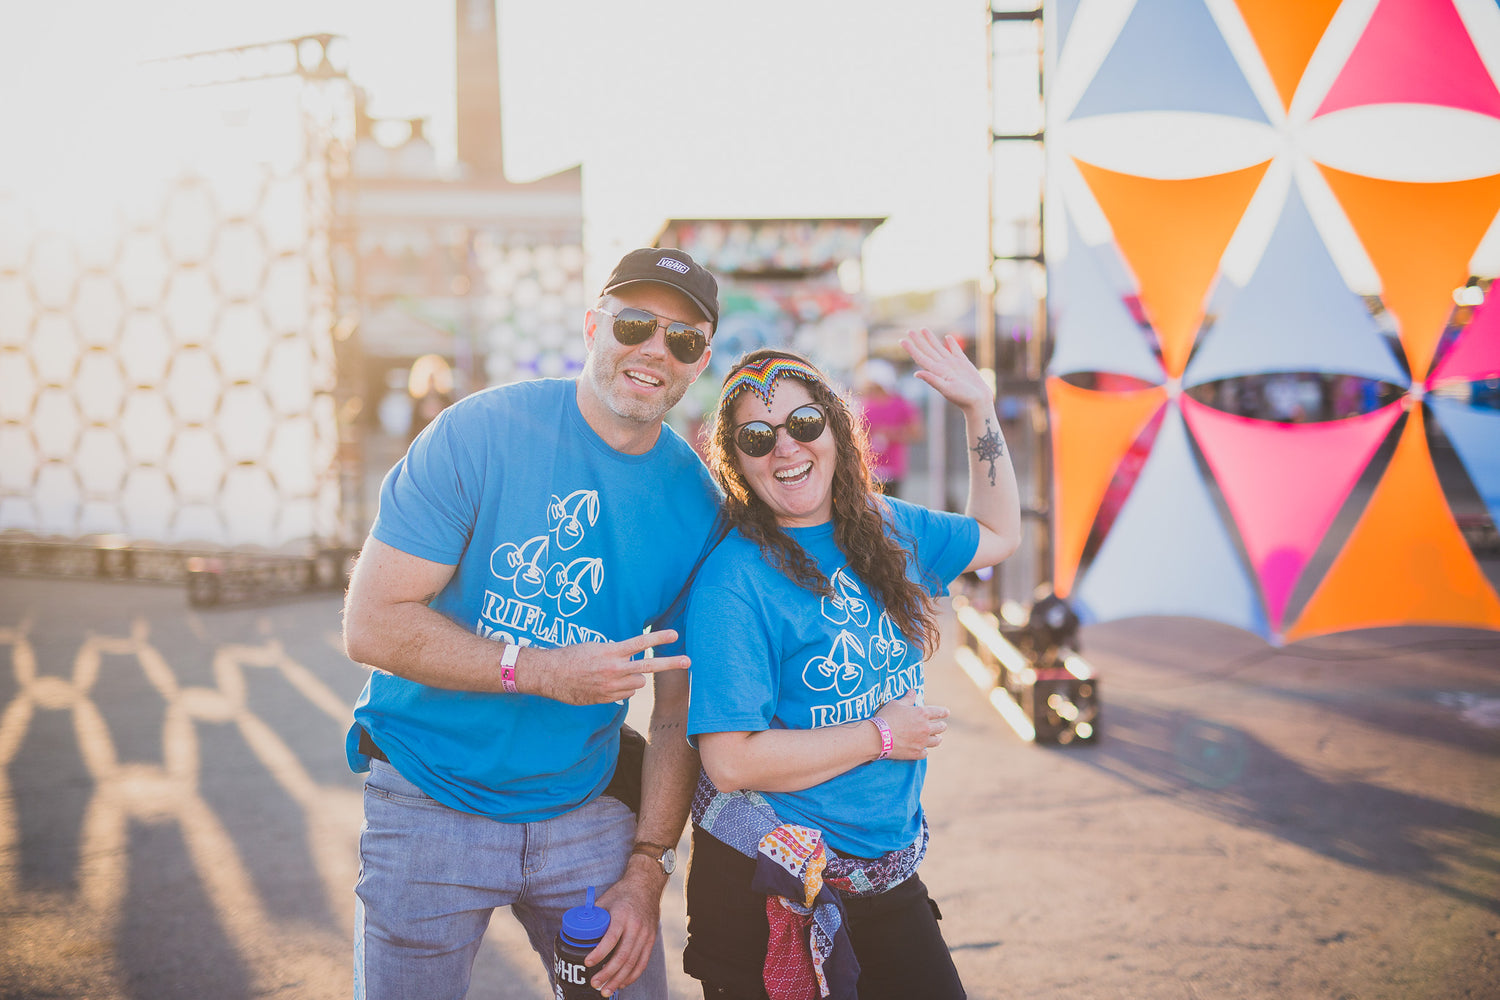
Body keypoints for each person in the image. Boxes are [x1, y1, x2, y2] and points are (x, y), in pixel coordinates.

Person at [342, 247, 725, 999]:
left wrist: (647, 870)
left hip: (582, 812)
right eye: (636, 324)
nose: (654, 349)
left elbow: (679, 713)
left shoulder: (698, 507)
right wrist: (542, 669)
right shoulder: (479, 433)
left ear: (699, 362)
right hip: (429, 795)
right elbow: (372, 624)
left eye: (681, 339)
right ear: (593, 326)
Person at [681, 335, 1022, 1000]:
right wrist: (882, 737)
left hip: (884, 871)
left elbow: (1001, 533)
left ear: (835, 430)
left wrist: (979, 407)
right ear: (737, 462)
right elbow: (730, 761)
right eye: (758, 437)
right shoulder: (734, 580)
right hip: (767, 884)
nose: (785, 447)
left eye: (803, 424)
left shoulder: (888, 526)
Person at [858, 358, 922, 498]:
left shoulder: (901, 405)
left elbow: (917, 433)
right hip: (869, 470)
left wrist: (890, 434)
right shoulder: (863, 405)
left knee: (891, 511)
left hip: (893, 470)